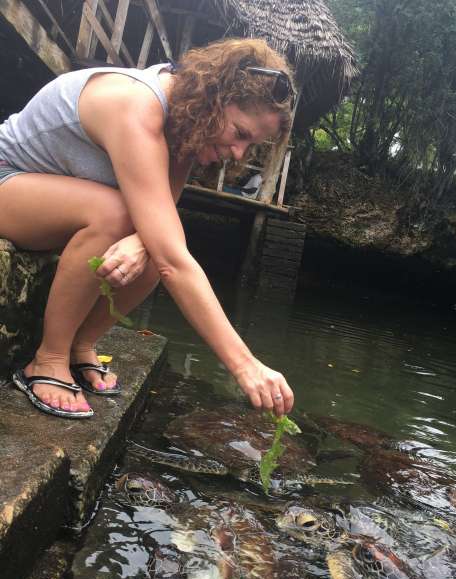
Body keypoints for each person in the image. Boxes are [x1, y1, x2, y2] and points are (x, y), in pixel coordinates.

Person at [0, 38, 295, 420]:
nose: (239, 154)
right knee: (122, 219)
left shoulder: (184, 126)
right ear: (214, 97)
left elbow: (162, 223)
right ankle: (48, 358)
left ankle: (80, 345)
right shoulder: (135, 105)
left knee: (151, 247)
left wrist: (144, 243)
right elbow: (174, 257)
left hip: (49, 205)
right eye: (240, 133)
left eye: (250, 145)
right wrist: (244, 365)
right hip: (8, 178)